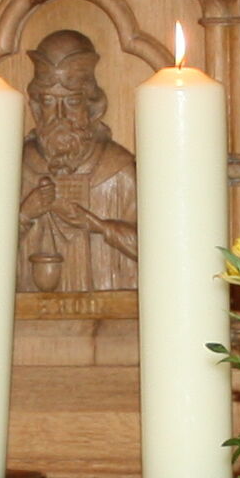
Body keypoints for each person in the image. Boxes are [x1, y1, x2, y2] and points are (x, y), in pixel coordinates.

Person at [17, 30, 139, 293]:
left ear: (92, 105)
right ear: (36, 106)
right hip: (29, 323)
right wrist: (26, 213)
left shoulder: (117, 168)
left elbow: (158, 252)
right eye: (49, 101)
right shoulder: (16, 167)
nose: (60, 114)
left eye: (72, 101)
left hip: (114, 320)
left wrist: (96, 225)